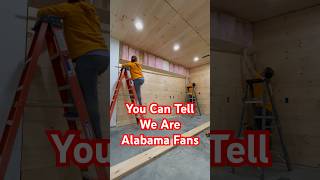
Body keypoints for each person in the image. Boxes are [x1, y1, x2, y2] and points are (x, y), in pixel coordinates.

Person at [37, 0, 108, 139]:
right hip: (103, 56)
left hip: (88, 57)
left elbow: (41, 12)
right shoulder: (91, 11)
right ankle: (74, 110)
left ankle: (98, 139)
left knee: (90, 99)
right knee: (78, 82)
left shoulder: (69, 8)